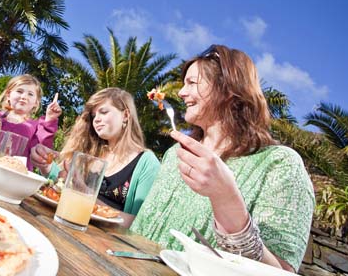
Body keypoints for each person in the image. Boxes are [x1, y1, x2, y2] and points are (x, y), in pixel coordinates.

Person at [130, 45, 314, 272]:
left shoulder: (279, 165)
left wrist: (225, 198)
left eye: (192, 83)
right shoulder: (173, 156)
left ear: (228, 89)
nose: (180, 93)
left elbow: (281, 270)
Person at [31, 87, 160, 220]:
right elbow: (60, 178)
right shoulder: (92, 152)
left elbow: (139, 224)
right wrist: (44, 163)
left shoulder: (146, 163)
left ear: (126, 115)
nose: (96, 119)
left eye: (103, 112)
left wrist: (85, 193)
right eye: (94, 115)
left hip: (104, 239)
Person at [0, 74, 62, 170]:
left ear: (36, 102)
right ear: (8, 95)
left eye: (30, 94)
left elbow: (41, 151)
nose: (24, 96)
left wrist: (49, 119)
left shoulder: (35, 127)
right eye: (19, 91)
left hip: (15, 178)